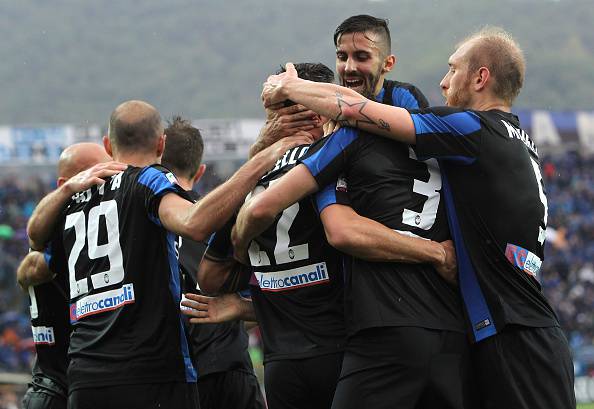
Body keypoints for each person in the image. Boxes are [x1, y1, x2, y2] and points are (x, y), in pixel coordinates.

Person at [261, 27, 575, 409]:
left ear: (480, 78)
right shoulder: (516, 141)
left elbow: (355, 108)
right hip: (518, 330)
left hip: (516, 336)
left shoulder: (472, 129)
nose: (443, 83)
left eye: (452, 70)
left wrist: (290, 88)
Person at [186, 63, 462, 409]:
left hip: (281, 363)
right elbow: (349, 237)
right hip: (344, 352)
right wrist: (435, 252)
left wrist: (244, 301)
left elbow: (211, 277)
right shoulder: (336, 163)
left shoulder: (250, 181)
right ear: (319, 111)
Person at [26, 100, 309, 409]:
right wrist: (262, 159)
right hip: (151, 371)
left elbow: (34, 241)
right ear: (161, 143)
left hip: (84, 375)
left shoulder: (73, 200)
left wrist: (66, 191)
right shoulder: (147, 180)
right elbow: (195, 223)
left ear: (108, 145)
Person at [161, 116, 265, 409]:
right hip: (231, 369)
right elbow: (272, 295)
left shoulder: (143, 225)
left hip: (176, 376)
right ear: (201, 169)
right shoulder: (225, 223)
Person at [251, 15, 427, 157]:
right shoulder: (322, 105)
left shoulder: (402, 97)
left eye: (362, 56)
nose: (349, 68)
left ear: (387, 64)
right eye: (342, 57)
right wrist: (263, 143)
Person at [17, 143, 111, 409]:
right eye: (94, 173)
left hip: (50, 384)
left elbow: (27, 272)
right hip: (63, 388)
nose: (103, 181)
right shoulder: (73, 224)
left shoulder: (50, 223)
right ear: (65, 183)